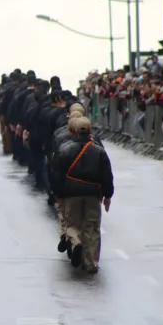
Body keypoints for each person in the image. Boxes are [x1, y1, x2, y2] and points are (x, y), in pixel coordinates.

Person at [50, 117, 114, 274]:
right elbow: (107, 176)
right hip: (93, 195)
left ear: (74, 130)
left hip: (72, 195)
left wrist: (58, 194)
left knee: (73, 224)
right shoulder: (99, 151)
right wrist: (107, 195)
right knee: (92, 228)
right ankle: (91, 262)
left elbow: (58, 175)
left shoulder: (65, 150)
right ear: (90, 130)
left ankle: (76, 241)